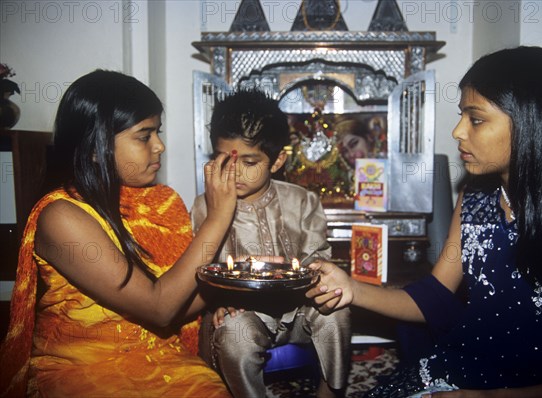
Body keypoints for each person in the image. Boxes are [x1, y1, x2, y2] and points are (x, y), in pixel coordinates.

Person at [306, 46, 542, 397]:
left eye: (475, 119)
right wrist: (351, 288)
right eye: (462, 116)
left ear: (531, 123)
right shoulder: (474, 199)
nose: (458, 131)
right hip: (457, 368)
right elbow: (433, 297)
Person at [0, 70, 237, 397]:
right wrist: (219, 215)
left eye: (158, 132)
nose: (160, 146)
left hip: (159, 359)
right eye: (144, 135)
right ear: (95, 147)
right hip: (83, 368)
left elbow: (175, 304)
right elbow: (159, 307)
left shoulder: (160, 203)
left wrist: (235, 283)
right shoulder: (62, 216)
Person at [191, 89, 351, 398]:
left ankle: (331, 392)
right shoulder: (204, 207)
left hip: (299, 309)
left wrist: (315, 282)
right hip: (243, 314)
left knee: (337, 309)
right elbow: (198, 271)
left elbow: (318, 262)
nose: (235, 172)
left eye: (250, 162)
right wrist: (217, 302)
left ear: (277, 160)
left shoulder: (303, 202)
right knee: (234, 334)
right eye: (225, 160)